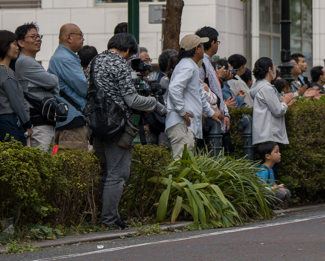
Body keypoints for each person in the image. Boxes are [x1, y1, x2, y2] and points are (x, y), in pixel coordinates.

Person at [86, 33, 167, 229]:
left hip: (96, 123)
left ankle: (106, 217)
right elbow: (132, 100)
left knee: (105, 173)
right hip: (116, 125)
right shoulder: (120, 64)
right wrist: (155, 104)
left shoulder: (94, 61)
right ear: (129, 51)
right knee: (118, 174)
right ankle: (109, 220)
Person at [165, 34, 222, 159]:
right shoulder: (188, 66)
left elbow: (199, 95)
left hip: (183, 125)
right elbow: (174, 89)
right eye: (201, 45)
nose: (203, 48)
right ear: (197, 49)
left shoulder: (188, 65)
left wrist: (211, 113)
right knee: (180, 166)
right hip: (182, 125)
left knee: (183, 165)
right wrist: (182, 111)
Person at [13, 23, 60, 152]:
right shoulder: (25, 61)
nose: (38, 39)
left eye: (39, 36)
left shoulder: (29, 61)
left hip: (42, 121)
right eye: (33, 37)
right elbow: (53, 82)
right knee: (41, 164)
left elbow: (54, 86)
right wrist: (52, 80)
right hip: (38, 122)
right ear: (21, 43)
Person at [49, 23, 89, 149]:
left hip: (68, 119)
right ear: (69, 37)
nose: (83, 39)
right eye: (81, 35)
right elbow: (84, 88)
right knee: (76, 166)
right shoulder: (65, 58)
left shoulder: (63, 56)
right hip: (73, 122)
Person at [0, 30, 32, 145]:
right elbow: (16, 101)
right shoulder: (5, 71)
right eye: (13, 43)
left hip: (1, 121)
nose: (17, 47)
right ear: (4, 46)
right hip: (10, 120)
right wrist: (27, 124)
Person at [249, 57, 296, 147]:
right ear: (270, 69)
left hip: (264, 135)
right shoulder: (266, 88)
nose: (275, 70)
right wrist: (284, 103)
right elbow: (278, 111)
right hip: (270, 136)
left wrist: (285, 104)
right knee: (271, 160)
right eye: (274, 67)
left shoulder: (258, 86)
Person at [193, 27, 230, 134]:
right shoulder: (200, 63)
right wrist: (211, 112)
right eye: (217, 42)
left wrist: (226, 113)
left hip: (216, 117)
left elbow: (216, 91)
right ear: (213, 43)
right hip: (209, 121)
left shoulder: (208, 62)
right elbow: (199, 92)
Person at [255, 141, 291, 208]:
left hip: (269, 193)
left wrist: (279, 187)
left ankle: (274, 205)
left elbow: (271, 184)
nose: (279, 154)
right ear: (267, 156)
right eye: (276, 152)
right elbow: (261, 189)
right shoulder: (262, 170)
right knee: (281, 193)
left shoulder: (270, 169)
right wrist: (277, 187)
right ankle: (268, 206)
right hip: (262, 196)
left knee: (287, 192)